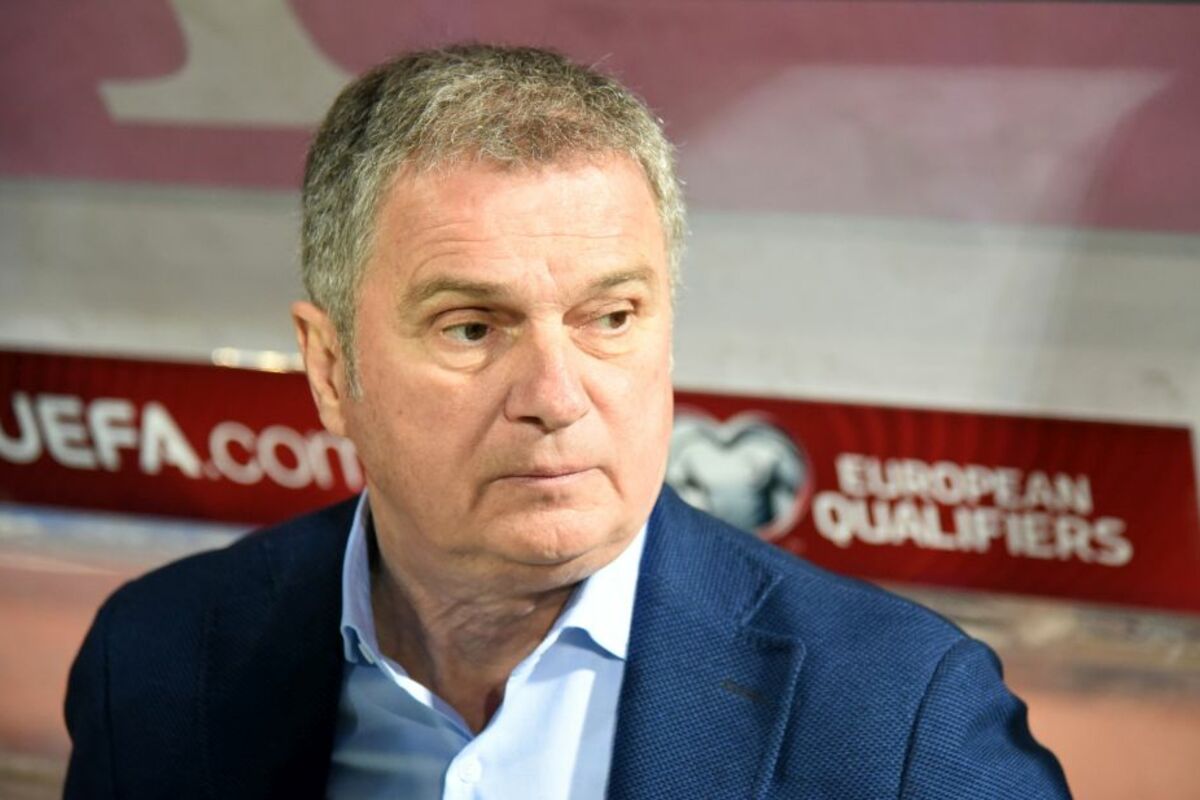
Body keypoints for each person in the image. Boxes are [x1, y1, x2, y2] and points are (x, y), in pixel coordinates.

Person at [63, 44, 1071, 799]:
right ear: (331, 370)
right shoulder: (158, 660)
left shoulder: (900, 718)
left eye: (611, 317)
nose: (555, 393)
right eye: (471, 326)